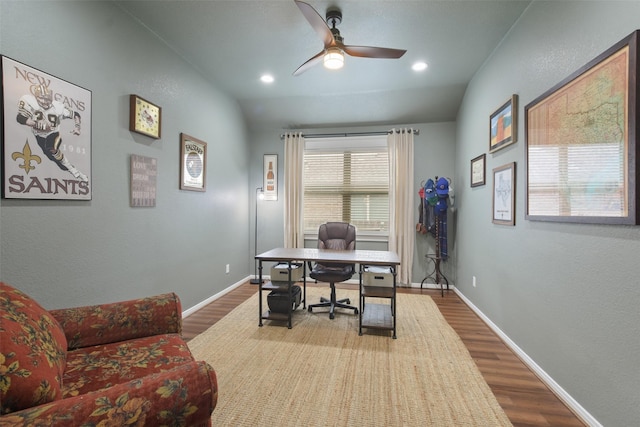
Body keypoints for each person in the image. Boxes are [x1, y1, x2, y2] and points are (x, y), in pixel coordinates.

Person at [16, 84, 88, 182]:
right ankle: (71, 168)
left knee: (51, 147)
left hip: (53, 133)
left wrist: (77, 127)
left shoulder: (57, 106)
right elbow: (20, 118)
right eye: (42, 98)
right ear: (36, 97)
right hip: (39, 135)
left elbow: (76, 114)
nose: (46, 101)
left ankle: (73, 170)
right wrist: (35, 124)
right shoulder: (29, 101)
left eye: (48, 98)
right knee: (53, 159)